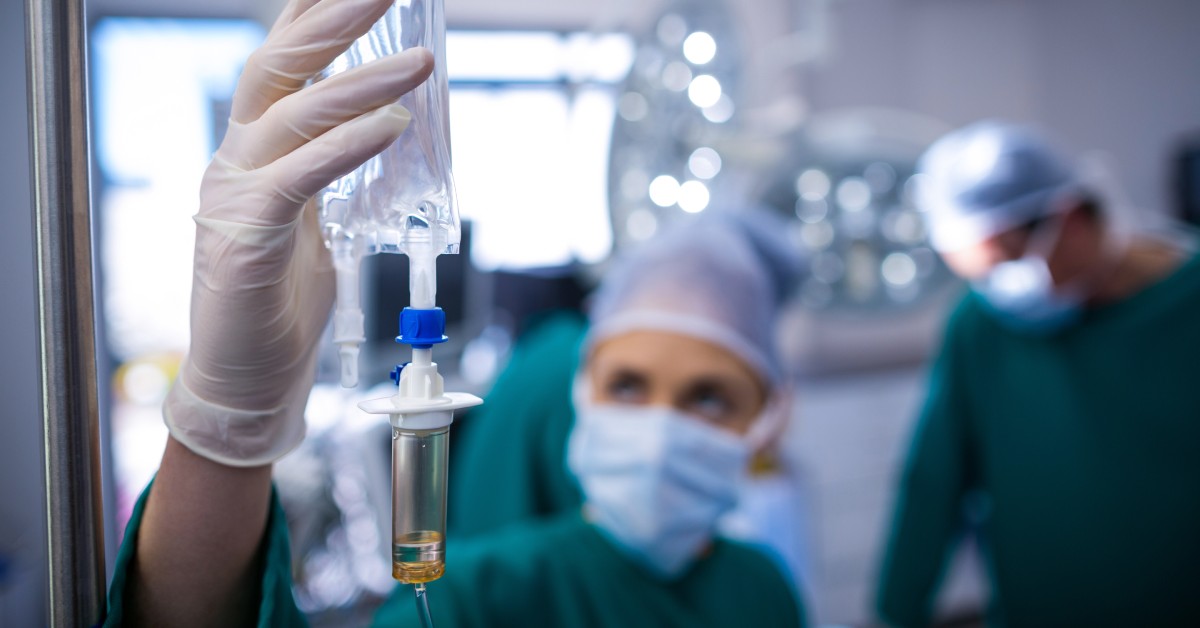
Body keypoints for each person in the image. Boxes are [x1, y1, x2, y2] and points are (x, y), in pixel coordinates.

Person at [101, 0, 806, 625]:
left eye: (710, 397)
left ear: (769, 414)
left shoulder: (762, 589)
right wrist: (227, 427)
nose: (657, 430)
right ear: (580, 385)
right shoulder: (474, 596)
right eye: (626, 384)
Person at [875, 120, 1200, 627]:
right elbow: (932, 484)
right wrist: (895, 615)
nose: (999, 291)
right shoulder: (980, 326)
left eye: (1005, 263)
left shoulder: (1187, 304)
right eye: (978, 278)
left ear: (1068, 218)